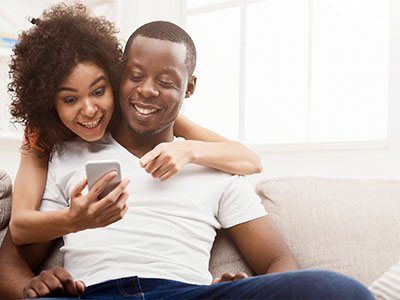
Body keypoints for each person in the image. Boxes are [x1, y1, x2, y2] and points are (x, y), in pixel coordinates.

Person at [0, 18, 373, 299]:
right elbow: (11, 257)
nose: (147, 90)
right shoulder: (65, 152)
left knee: (337, 288)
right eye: (135, 76)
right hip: (94, 293)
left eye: (165, 81)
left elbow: (279, 261)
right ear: (119, 77)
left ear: (188, 87)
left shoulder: (216, 167)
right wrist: (34, 291)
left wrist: (253, 287)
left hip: (185, 294)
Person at [7, 3, 262, 247]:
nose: (89, 109)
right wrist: (73, 220)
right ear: (49, 101)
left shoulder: (134, 110)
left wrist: (188, 150)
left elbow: (251, 161)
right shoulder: (40, 132)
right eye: (71, 99)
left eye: (98, 91)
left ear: (114, 82)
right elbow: (19, 228)